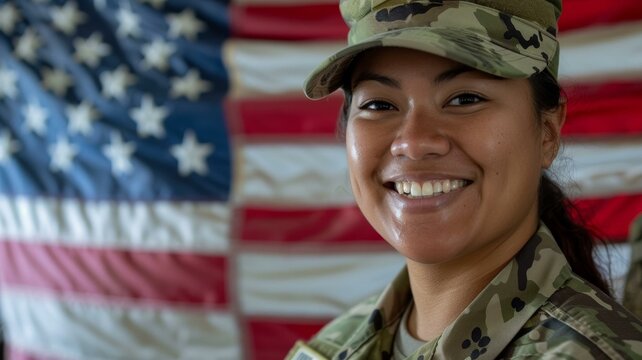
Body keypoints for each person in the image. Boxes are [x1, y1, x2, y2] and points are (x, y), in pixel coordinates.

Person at [285, 1, 642, 359]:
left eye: (465, 99)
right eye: (379, 105)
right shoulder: (332, 347)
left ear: (547, 132)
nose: (414, 142)